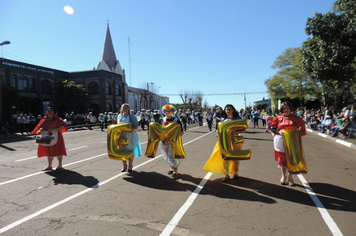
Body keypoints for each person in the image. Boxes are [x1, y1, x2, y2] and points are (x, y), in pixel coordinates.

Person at [203, 104, 246, 182]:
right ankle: (226, 174)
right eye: (226, 109)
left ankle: (235, 173)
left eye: (229, 109)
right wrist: (218, 132)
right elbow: (217, 130)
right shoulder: (222, 119)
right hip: (224, 140)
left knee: (235, 157)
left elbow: (243, 130)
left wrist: (236, 132)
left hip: (235, 140)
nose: (228, 111)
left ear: (233, 110)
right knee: (225, 157)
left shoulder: (238, 119)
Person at [271, 102, 306, 186]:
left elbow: (301, 127)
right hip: (281, 140)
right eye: (284, 108)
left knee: (292, 159)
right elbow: (272, 128)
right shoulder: (278, 118)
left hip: (293, 140)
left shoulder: (296, 118)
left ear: (290, 109)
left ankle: (290, 177)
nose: (285, 110)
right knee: (283, 159)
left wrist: (298, 131)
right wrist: (278, 131)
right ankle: (284, 176)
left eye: (287, 108)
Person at [161, 104, 184, 179]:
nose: (168, 112)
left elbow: (181, 131)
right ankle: (171, 168)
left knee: (174, 155)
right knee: (167, 154)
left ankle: (175, 172)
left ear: (172, 111)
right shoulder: (162, 119)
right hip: (165, 141)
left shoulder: (176, 120)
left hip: (174, 141)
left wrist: (178, 134)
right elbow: (159, 129)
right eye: (166, 111)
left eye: (170, 111)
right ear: (164, 111)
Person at [117, 103, 142, 172]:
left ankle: (130, 166)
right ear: (121, 109)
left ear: (128, 109)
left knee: (130, 150)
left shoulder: (132, 116)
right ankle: (124, 166)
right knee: (122, 150)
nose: (125, 109)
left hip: (130, 135)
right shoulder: (119, 116)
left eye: (126, 108)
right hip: (121, 136)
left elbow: (136, 125)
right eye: (123, 108)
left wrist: (132, 129)